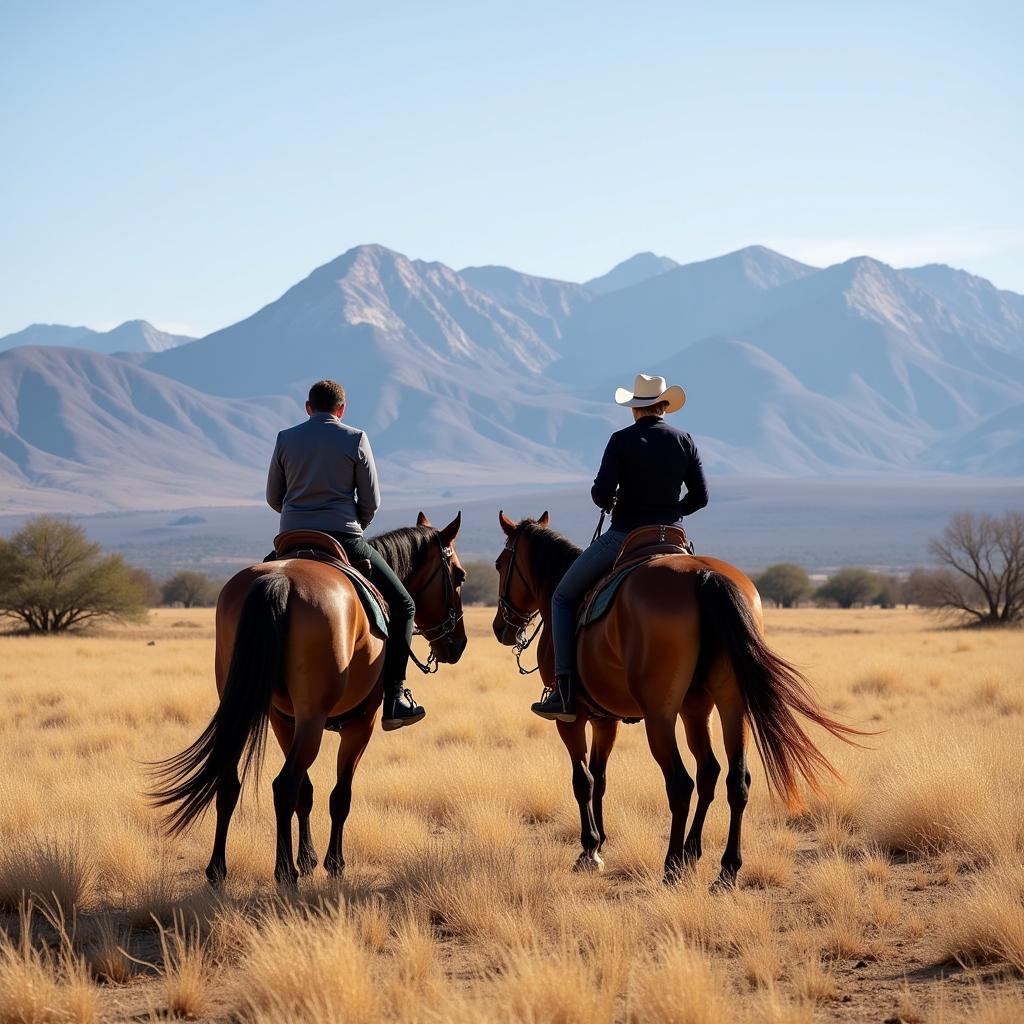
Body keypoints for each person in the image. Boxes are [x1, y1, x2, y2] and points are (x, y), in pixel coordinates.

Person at [532, 373, 709, 722]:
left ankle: (564, 689)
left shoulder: (621, 440)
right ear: (664, 407)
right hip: (674, 538)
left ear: (634, 408)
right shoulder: (684, 440)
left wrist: (612, 500)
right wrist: (673, 511)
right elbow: (701, 498)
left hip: (626, 536)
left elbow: (600, 493)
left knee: (563, 597)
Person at [266, 379, 424, 730]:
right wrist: (356, 523)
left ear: (308, 408)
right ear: (342, 410)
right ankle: (396, 696)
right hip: (342, 535)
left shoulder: (285, 438)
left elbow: (274, 497)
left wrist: (297, 513)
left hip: (290, 537)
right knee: (404, 605)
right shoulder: (355, 438)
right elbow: (372, 501)